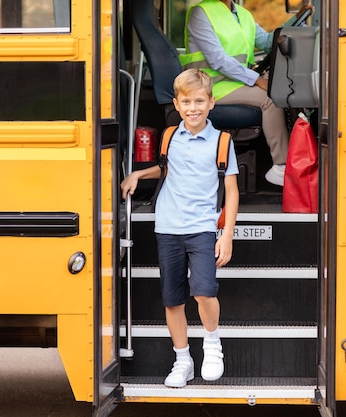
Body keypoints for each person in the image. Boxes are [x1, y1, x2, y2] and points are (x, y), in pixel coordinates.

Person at [121, 69, 239, 388]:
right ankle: (183, 359)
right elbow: (167, 168)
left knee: (203, 292)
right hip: (169, 226)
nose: (193, 108)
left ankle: (212, 346)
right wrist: (138, 176)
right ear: (177, 103)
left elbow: (231, 191)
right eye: (186, 101)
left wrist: (226, 235)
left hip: (202, 228)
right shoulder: (170, 135)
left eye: (199, 101)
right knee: (173, 299)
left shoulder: (222, 141)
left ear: (211, 103)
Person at [179, 0, 313, 187]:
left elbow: (268, 42)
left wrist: (296, 19)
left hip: (234, 82)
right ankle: (281, 167)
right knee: (270, 99)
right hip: (208, 87)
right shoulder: (200, 13)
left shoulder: (243, 14)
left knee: (280, 93)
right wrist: (257, 80)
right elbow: (218, 59)